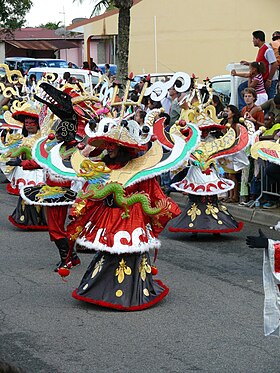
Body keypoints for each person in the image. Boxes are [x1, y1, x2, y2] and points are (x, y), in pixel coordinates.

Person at [67, 124, 181, 310]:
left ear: (124, 149)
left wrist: (165, 209)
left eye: (113, 145)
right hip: (108, 214)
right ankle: (103, 289)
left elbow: (153, 193)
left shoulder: (140, 169)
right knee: (108, 251)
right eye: (108, 145)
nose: (108, 149)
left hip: (131, 216)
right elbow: (90, 193)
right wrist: (78, 209)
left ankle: (130, 292)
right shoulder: (101, 168)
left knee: (129, 251)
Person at [238, 30, 278, 110]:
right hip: (264, 78)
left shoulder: (267, 49)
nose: (252, 40)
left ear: (258, 39)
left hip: (269, 79)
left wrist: (269, 80)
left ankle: (243, 109)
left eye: (253, 38)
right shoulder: (261, 49)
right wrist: (249, 63)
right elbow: (260, 64)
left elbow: (274, 64)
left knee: (269, 101)